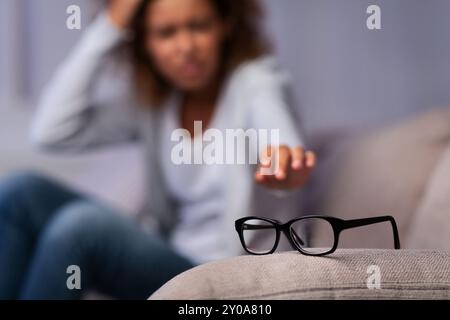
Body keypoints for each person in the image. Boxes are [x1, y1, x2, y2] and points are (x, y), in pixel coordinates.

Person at [0, 0, 316, 300]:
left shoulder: (255, 82)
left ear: (225, 26)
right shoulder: (154, 106)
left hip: (228, 279)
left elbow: (278, 133)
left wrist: (286, 161)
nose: (186, 47)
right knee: (19, 191)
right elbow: (51, 131)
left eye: (199, 26)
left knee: (80, 226)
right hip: (171, 263)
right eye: (166, 33)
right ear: (144, 44)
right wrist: (110, 26)